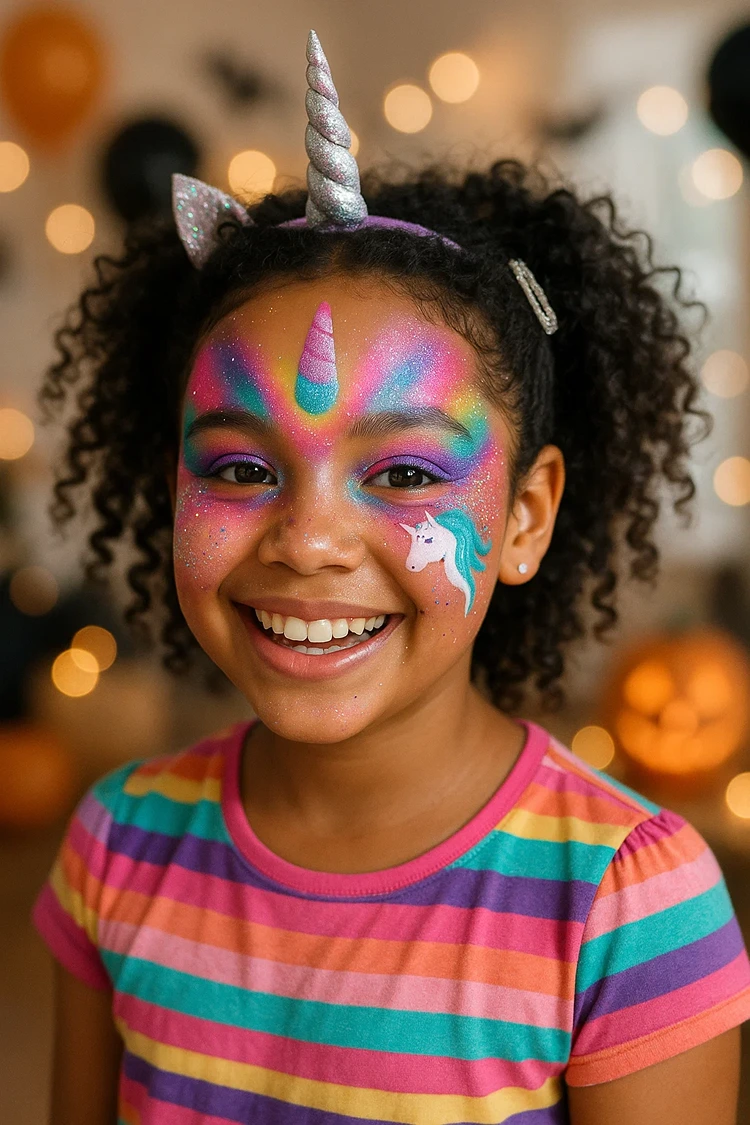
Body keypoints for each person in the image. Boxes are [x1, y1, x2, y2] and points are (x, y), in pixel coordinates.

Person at [30, 30, 750, 1125]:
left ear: (524, 516)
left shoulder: (629, 905)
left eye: (407, 470)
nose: (308, 541)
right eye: (240, 466)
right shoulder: (114, 846)